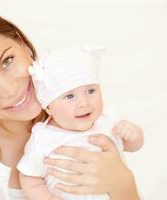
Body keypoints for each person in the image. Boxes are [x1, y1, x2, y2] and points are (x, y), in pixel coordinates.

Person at [0, 5, 141, 200]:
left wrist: (124, 186)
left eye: (7, 61)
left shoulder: (77, 109)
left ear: (22, 44)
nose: (10, 90)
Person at [17, 46, 144, 200]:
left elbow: (132, 146)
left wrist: (134, 134)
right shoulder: (43, 138)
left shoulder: (107, 118)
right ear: (49, 107)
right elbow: (29, 177)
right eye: (70, 96)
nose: (84, 103)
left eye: (91, 91)